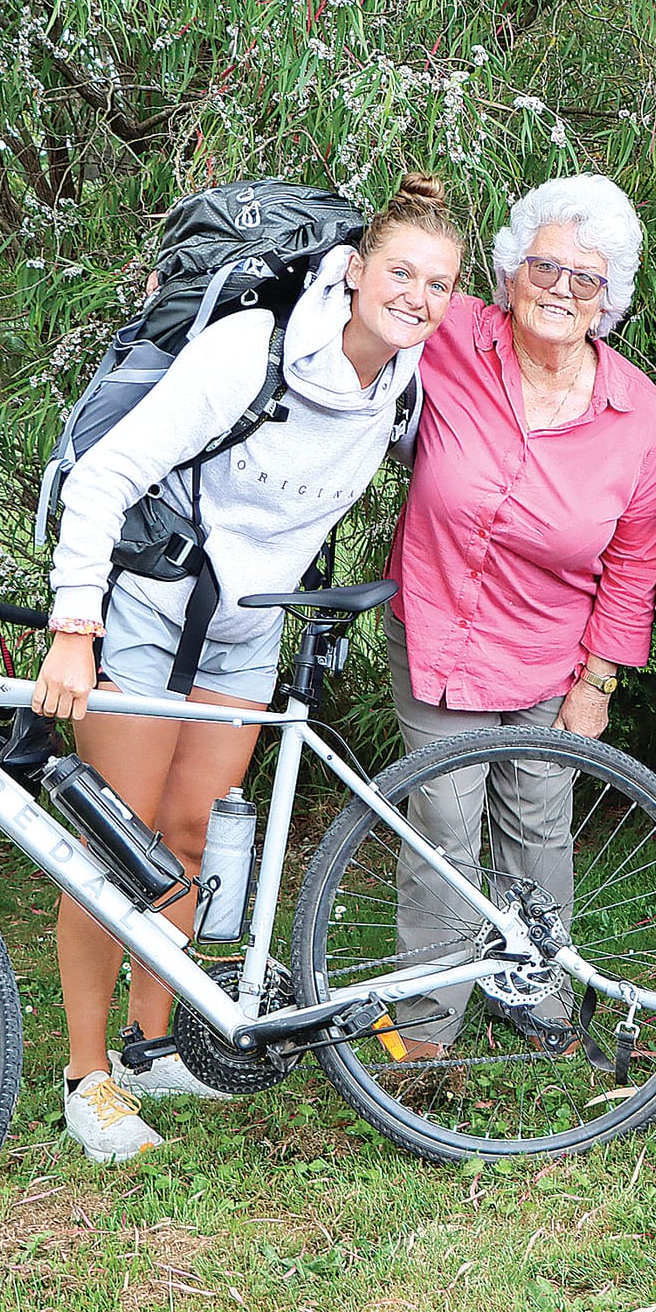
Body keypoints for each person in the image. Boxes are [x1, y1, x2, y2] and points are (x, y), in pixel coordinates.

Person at [33, 174, 465, 1161]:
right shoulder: (250, 351)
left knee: (187, 832)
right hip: (149, 607)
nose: (416, 296)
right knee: (117, 846)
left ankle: (151, 1045)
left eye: (437, 284)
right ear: (354, 272)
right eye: (399, 271)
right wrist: (73, 623)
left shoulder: (397, 381)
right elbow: (107, 475)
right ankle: (86, 1075)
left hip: (246, 628)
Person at [383, 173, 656, 1059]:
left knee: (539, 822)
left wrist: (598, 680)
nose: (560, 289)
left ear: (608, 300)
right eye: (545, 266)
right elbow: (377, 289)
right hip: (439, 631)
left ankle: (534, 991)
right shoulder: (454, 337)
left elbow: (633, 562)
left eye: (585, 278)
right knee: (442, 822)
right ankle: (424, 1031)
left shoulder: (641, 418)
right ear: (510, 272)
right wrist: (405, 213)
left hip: (553, 655)